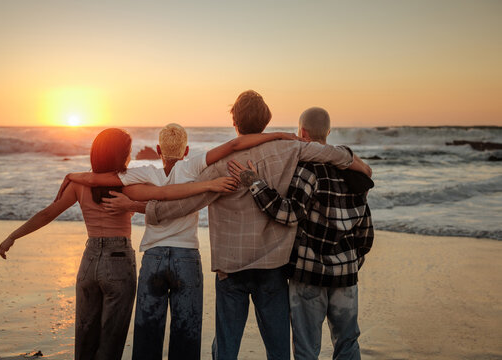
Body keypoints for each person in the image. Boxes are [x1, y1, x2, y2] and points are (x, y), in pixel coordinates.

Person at [105, 91, 372, 360]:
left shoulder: (222, 164)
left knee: (226, 349)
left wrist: (140, 209)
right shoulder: (292, 149)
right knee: (278, 350)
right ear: (266, 121)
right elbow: (333, 154)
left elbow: (186, 202)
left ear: (234, 122)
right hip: (273, 265)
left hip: (231, 266)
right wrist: (362, 168)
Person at [61, 123, 300, 360]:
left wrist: (73, 175)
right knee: (186, 335)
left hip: (153, 258)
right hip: (186, 257)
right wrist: (278, 134)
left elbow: (101, 178)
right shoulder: (194, 166)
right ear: (186, 151)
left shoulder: (144, 172)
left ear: (157, 149)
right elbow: (235, 144)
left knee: (147, 337)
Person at [0, 128, 238, 360]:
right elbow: (165, 198)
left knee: (84, 333)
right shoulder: (126, 186)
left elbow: (46, 214)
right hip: (119, 261)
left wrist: (13, 236)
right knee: (112, 338)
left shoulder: (78, 184)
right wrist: (207, 186)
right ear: (122, 156)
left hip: (89, 260)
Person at [228, 107, 374, 360]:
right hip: (347, 276)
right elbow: (365, 233)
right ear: (328, 132)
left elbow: (289, 213)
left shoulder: (308, 169)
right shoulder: (355, 174)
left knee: (307, 350)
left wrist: (254, 182)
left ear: (302, 132)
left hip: (309, 275)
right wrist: (350, 263)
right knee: (348, 342)